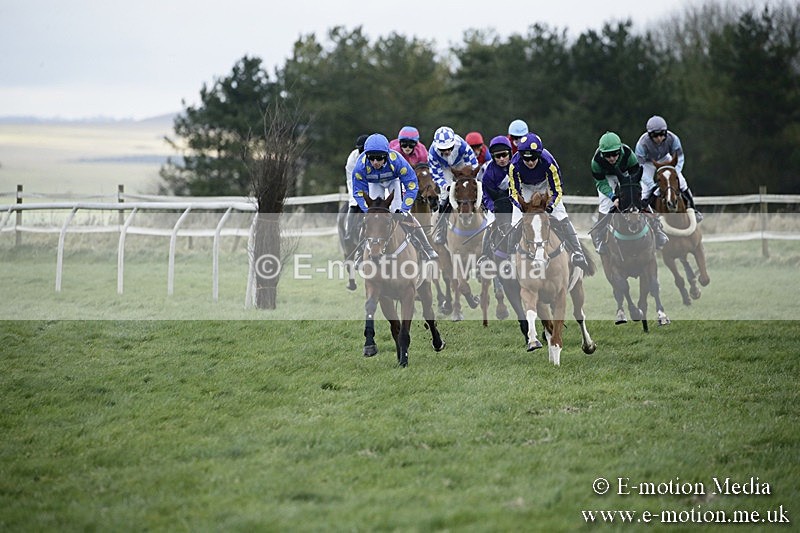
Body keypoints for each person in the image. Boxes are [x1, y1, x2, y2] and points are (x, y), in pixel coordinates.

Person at [508, 133, 589, 270]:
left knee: (561, 216)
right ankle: (510, 259)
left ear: (539, 155)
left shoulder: (549, 162)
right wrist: (522, 207)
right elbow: (513, 192)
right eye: (526, 159)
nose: (530, 162)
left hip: (545, 186)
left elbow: (557, 189)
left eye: (533, 158)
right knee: (515, 222)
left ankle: (577, 252)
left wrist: (551, 206)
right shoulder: (514, 165)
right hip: (525, 188)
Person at [352, 133, 438, 261]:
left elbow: (411, 185)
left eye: (379, 158)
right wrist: (368, 210)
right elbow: (358, 192)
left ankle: (427, 247)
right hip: (374, 183)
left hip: (394, 181)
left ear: (386, 155)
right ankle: (360, 252)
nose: (375, 162)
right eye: (371, 158)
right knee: (370, 218)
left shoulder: (397, 161)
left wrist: (404, 209)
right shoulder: (360, 166)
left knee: (405, 215)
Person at [590, 131, 669, 255]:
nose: (611, 158)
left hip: (625, 174)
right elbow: (601, 183)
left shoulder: (628, 154)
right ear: (601, 153)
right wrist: (613, 197)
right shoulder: (596, 162)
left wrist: (634, 193)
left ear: (620, 150)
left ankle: (657, 228)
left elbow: (635, 175)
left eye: (614, 154)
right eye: (607, 155)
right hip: (607, 178)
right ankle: (600, 236)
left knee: (638, 198)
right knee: (605, 204)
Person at [635, 115, 703, 222]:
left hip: (664, 158)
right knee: (645, 190)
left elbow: (680, 158)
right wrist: (652, 185)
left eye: (662, 135)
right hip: (647, 163)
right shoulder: (641, 144)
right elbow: (640, 168)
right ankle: (644, 214)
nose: (659, 138)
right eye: (655, 135)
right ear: (649, 135)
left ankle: (693, 209)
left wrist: (676, 172)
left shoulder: (673, 139)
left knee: (682, 182)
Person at [428, 126, 480, 244]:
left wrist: (470, 180)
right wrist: (446, 186)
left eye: (450, 148)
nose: (447, 152)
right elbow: (436, 175)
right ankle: (441, 228)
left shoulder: (463, 146)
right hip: (444, 168)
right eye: (443, 149)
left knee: (471, 188)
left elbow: (473, 164)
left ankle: (485, 214)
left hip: (461, 164)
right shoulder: (432, 153)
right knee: (445, 195)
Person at [476, 135, 516, 263]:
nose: (502, 159)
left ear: (510, 153)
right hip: (497, 205)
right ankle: (485, 254)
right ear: (493, 157)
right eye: (498, 156)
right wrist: (492, 207)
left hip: (516, 204)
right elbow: (486, 195)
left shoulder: (517, 166)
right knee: (489, 224)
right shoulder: (489, 172)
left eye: (504, 155)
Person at [343, 134, 369, 245]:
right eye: (360, 150)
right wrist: (358, 195)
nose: (361, 152)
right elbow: (351, 178)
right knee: (353, 204)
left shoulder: (374, 155)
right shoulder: (352, 158)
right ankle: (348, 232)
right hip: (355, 184)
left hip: (372, 185)